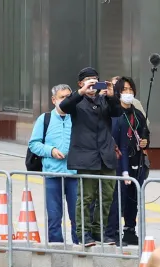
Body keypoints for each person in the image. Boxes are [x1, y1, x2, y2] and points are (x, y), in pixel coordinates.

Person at [58, 67, 118, 246]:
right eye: (89, 80)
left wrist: (112, 95)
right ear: (80, 83)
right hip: (86, 156)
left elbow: (117, 113)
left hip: (105, 155)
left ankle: (100, 231)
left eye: (95, 80)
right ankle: (83, 232)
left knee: (107, 196)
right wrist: (81, 92)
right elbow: (63, 107)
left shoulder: (105, 100)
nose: (93, 84)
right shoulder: (76, 101)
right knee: (86, 197)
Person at [29, 84, 79, 244]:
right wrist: (51, 151)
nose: (65, 100)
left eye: (68, 97)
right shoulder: (45, 119)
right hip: (52, 174)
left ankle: (79, 248)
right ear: (53, 100)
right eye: (61, 97)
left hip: (75, 174)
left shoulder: (78, 117)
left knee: (78, 216)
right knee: (54, 216)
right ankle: (56, 249)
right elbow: (34, 144)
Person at [110, 76, 149, 246]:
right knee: (118, 197)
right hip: (118, 160)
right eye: (124, 89)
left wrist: (145, 141)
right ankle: (113, 230)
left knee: (134, 197)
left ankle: (130, 230)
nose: (128, 93)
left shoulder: (137, 113)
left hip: (136, 159)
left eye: (130, 89)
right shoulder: (115, 112)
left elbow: (145, 132)